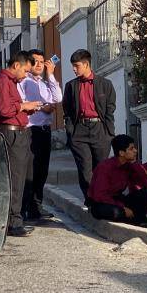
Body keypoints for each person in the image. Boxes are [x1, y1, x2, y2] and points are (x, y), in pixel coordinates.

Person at [0, 51, 42, 237]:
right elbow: (3, 110)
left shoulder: (10, 82)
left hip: (19, 132)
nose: (26, 75)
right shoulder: (2, 81)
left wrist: (25, 110)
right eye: (25, 71)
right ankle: (13, 222)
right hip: (11, 135)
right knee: (15, 179)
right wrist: (23, 106)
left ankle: (16, 218)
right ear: (17, 65)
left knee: (21, 178)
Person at [62, 49, 116, 202]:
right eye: (72, 65)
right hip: (79, 130)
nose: (74, 69)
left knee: (100, 168)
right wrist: (70, 132)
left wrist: (109, 133)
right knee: (85, 169)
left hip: (100, 130)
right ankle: (90, 199)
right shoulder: (71, 86)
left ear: (86, 65)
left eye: (76, 65)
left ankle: (101, 197)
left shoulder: (105, 84)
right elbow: (67, 110)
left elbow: (110, 109)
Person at [19, 49, 63, 220]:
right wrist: (41, 107)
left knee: (42, 171)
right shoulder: (24, 82)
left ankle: (37, 205)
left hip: (45, 130)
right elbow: (22, 102)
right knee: (30, 171)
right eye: (35, 61)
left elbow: (58, 98)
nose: (38, 65)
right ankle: (25, 207)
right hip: (31, 130)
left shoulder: (45, 83)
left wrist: (51, 75)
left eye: (41, 61)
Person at [87, 135, 147, 224]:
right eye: (131, 149)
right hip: (100, 203)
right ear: (122, 153)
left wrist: (134, 163)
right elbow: (100, 195)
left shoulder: (128, 165)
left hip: (117, 199)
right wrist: (122, 207)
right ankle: (137, 220)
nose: (135, 151)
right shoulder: (105, 167)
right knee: (115, 212)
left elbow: (145, 182)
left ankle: (140, 219)